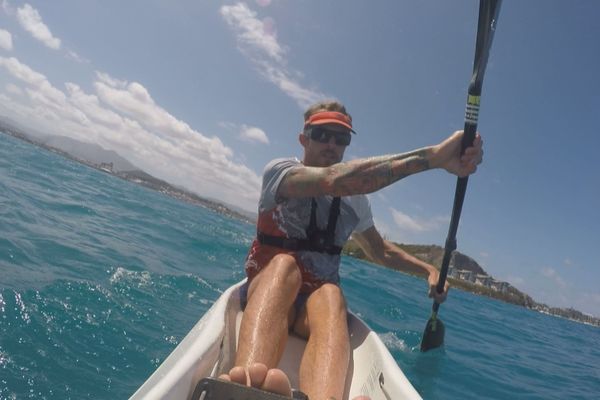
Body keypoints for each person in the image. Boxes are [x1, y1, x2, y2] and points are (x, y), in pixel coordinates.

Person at [220, 100, 483, 400]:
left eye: (341, 138)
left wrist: (430, 270)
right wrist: (432, 158)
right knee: (284, 265)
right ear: (303, 138)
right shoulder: (280, 173)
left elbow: (380, 250)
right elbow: (333, 180)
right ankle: (245, 390)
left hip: (311, 310)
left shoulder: (356, 201)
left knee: (331, 293)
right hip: (270, 291)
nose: (331, 144)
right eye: (321, 134)